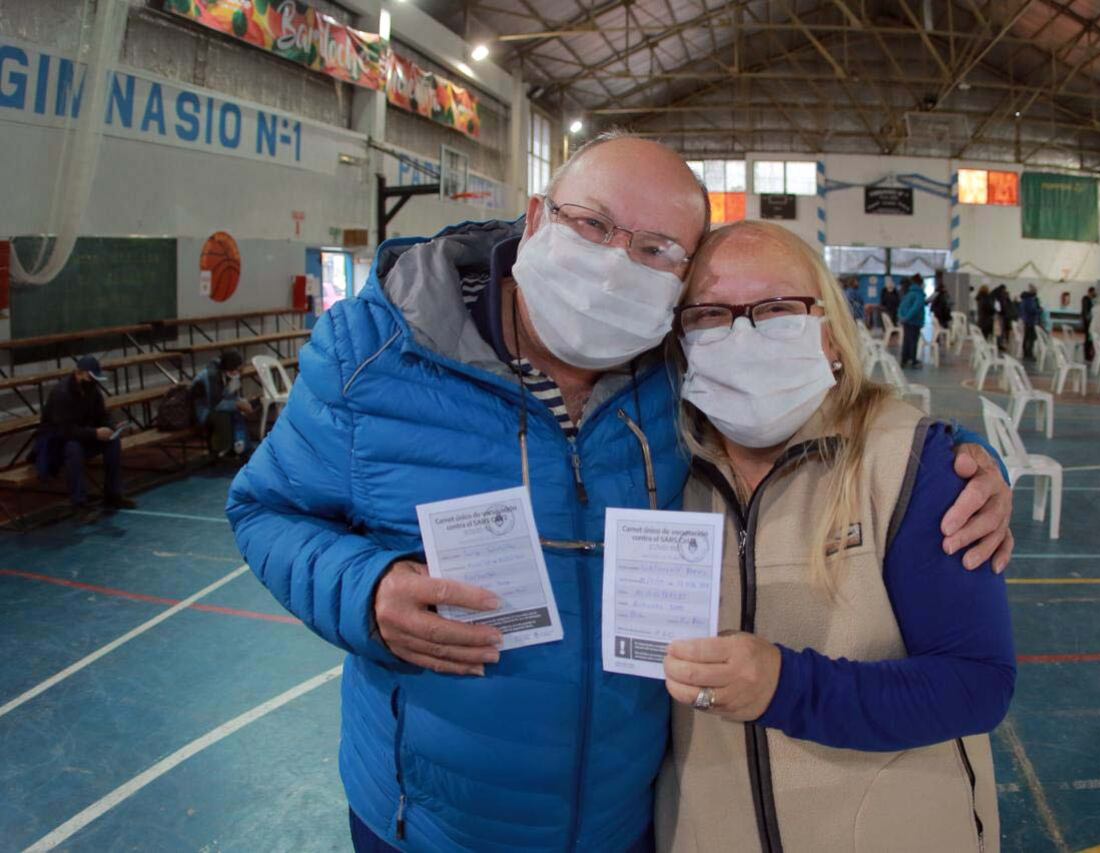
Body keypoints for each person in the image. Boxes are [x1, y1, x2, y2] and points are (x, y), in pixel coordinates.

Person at [226, 133, 1016, 853]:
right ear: (536, 218)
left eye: (655, 247)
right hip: (430, 819)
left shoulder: (682, 380)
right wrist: (365, 592)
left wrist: (964, 460)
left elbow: (820, 410)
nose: (613, 264)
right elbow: (265, 509)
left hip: (626, 821)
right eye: (594, 224)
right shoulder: (375, 353)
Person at [657, 221, 1014, 851]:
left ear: (830, 335)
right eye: (710, 314)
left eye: (774, 308)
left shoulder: (914, 462)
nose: (741, 333)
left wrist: (786, 687)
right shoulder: (655, 469)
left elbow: (976, 684)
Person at [32, 356, 137, 521]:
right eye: (90, 377)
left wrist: (113, 425)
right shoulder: (61, 394)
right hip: (57, 443)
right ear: (78, 374)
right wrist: (95, 433)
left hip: (82, 435)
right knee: (73, 448)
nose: (93, 381)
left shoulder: (92, 391)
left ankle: (113, 494)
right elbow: (65, 431)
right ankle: (79, 504)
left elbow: (102, 415)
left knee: (112, 442)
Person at [191, 349, 254, 457]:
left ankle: (242, 446)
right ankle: (222, 449)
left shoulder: (229, 375)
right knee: (224, 415)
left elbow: (231, 395)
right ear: (229, 368)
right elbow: (215, 404)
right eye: (237, 370)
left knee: (238, 413)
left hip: (216, 405)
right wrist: (237, 404)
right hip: (203, 410)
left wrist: (242, 402)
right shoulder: (211, 376)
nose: (238, 373)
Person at [897, 273, 926, 368]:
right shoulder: (919, 294)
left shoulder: (908, 293)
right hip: (914, 321)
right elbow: (916, 308)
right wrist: (907, 318)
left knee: (907, 341)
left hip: (907, 322)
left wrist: (902, 317)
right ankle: (913, 361)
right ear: (920, 283)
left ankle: (904, 360)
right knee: (913, 341)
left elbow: (901, 306)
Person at [1019, 284, 1043, 360]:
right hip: (1030, 321)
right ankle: (1028, 354)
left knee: (1027, 338)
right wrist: (1040, 310)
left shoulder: (1025, 299)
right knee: (1030, 338)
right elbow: (1032, 310)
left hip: (1026, 320)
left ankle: (1026, 352)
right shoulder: (1029, 300)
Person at [1082, 286, 1097, 362]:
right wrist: (1088, 319)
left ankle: (1089, 355)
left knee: (1090, 339)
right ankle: (1087, 355)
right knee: (1088, 339)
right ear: (1090, 292)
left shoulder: (1090, 300)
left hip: (1089, 322)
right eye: (1093, 293)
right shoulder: (1086, 299)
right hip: (1087, 323)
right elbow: (1086, 312)